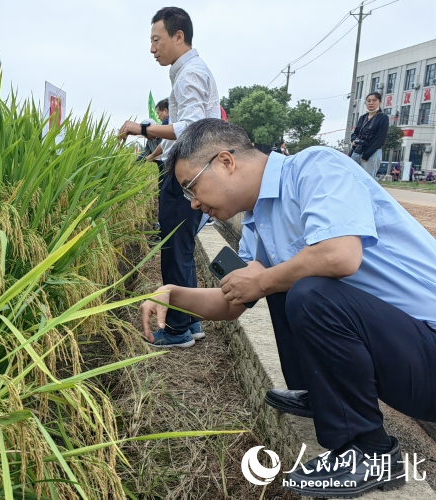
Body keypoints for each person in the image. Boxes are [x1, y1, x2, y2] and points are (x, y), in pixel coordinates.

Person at [139, 118, 436, 498]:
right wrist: (172, 293)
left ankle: (368, 451)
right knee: (283, 278)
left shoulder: (314, 168)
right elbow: (233, 303)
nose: (194, 203)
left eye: (191, 187)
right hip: (401, 353)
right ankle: (321, 394)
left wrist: (263, 279)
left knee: (306, 289)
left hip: (428, 351)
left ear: (226, 162)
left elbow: (340, 256)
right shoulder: (257, 224)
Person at [118, 7, 220, 348]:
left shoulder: (189, 73)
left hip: (186, 176)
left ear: (179, 36)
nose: (152, 49)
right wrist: (152, 152)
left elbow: (188, 127)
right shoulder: (189, 71)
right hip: (192, 174)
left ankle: (175, 329)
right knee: (182, 248)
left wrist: (140, 127)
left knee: (174, 250)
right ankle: (189, 321)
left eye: (156, 40)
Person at [350, 92, 389, 178]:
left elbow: (380, 138)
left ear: (379, 102)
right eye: (368, 101)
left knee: (367, 179)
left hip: (372, 153)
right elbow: (355, 133)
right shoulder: (362, 117)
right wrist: (354, 140)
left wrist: (366, 155)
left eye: (374, 100)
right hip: (357, 151)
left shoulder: (383, 118)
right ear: (365, 103)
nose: (371, 103)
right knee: (353, 178)